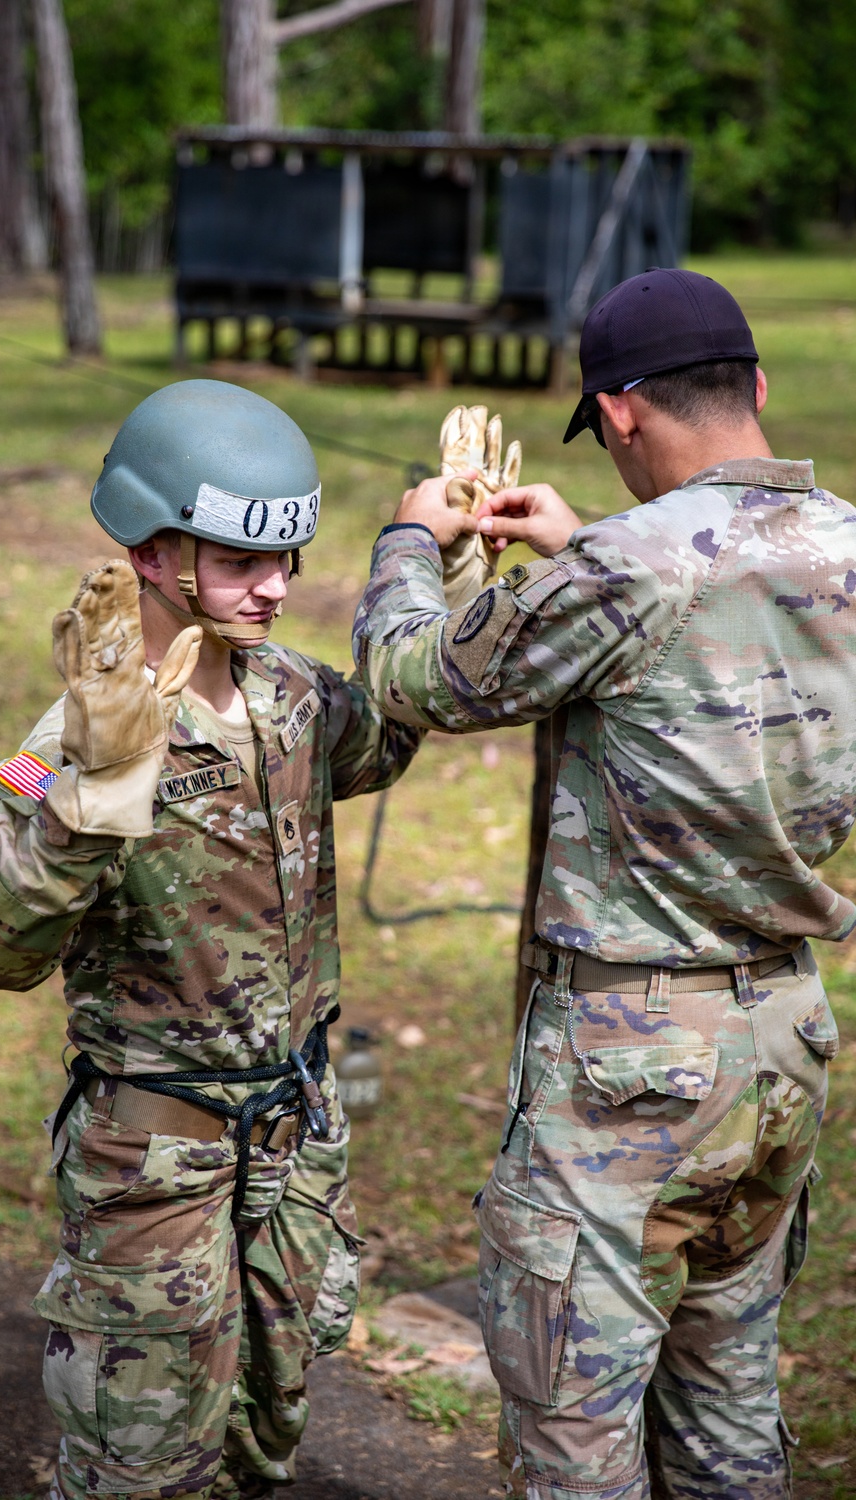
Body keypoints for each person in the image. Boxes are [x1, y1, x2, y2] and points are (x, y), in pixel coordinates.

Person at [352, 268, 851, 1498]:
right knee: (728, 1400)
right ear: (755, 386)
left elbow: (410, 676)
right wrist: (581, 547)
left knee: (576, 1436)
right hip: (784, 1038)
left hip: (631, 1068)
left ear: (620, 412)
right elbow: (711, 635)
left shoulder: (629, 566)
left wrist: (413, 539)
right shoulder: (841, 542)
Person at [0, 379, 423, 1500]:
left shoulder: (288, 693)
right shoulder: (76, 744)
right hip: (156, 1170)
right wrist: (84, 806)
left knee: (265, 1432)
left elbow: (385, 736)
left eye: (287, 557)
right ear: (153, 552)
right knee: (141, 1467)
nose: (278, 586)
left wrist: (434, 558)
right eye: (244, 560)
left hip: (293, 1145)